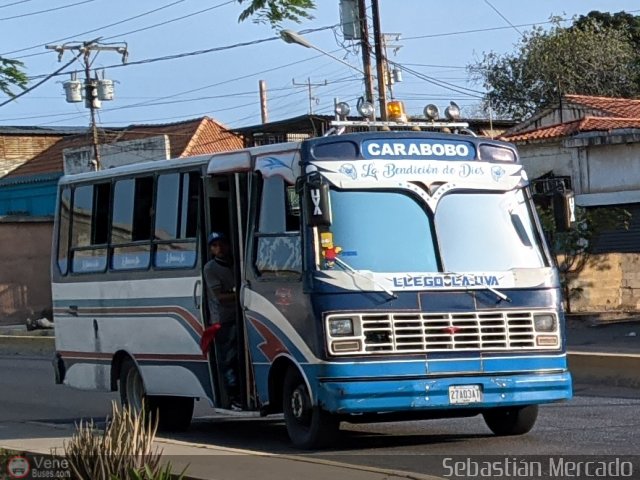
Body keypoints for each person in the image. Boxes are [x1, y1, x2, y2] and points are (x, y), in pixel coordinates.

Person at [203, 231, 240, 407]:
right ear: (211, 249)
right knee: (229, 359)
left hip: (241, 315)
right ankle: (233, 397)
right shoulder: (210, 268)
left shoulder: (237, 263)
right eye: (215, 245)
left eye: (222, 244)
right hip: (223, 320)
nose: (220, 248)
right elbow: (219, 297)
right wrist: (239, 293)